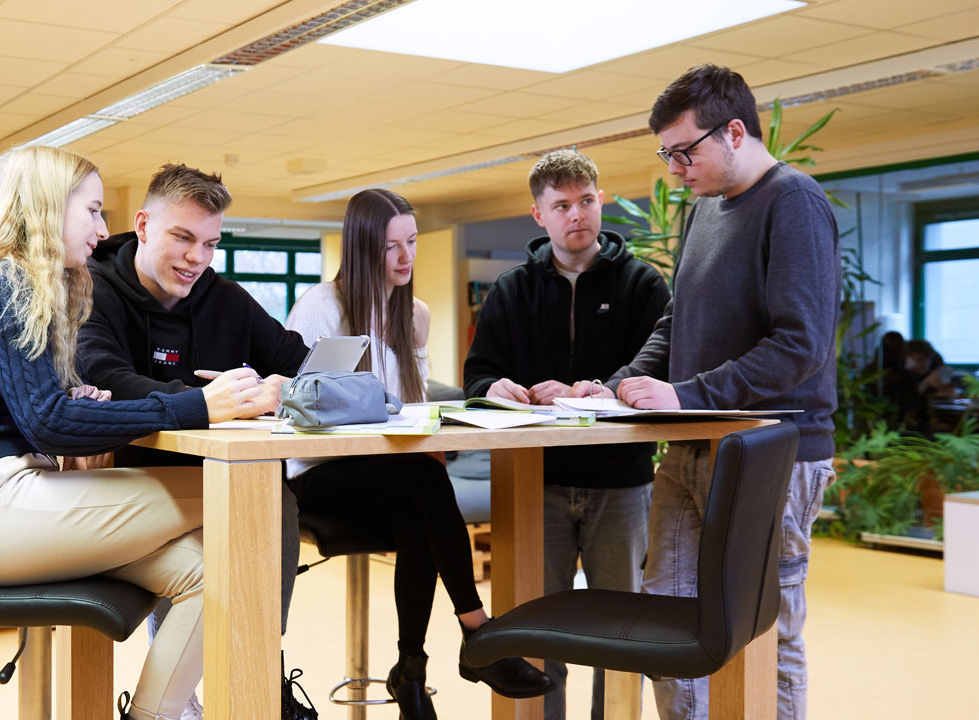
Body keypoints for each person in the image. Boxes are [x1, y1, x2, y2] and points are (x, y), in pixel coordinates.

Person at [0, 146, 277, 720]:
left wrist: (73, 403)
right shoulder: (8, 282)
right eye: (94, 211)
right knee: (250, 498)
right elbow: (46, 422)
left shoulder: (13, 282)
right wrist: (198, 406)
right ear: (49, 207)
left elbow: (35, 411)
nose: (103, 231)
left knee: (211, 569)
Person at [605, 65, 840, 720]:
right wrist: (617, 385)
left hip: (771, 454)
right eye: (667, 155)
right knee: (668, 622)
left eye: (686, 151)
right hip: (691, 447)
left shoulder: (793, 202)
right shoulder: (703, 209)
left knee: (766, 632)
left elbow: (800, 345)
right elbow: (676, 321)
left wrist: (688, 395)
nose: (676, 169)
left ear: (735, 132)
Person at [285, 188, 555, 719]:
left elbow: (412, 408)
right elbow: (299, 410)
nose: (406, 256)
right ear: (363, 247)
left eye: (411, 241)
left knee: (419, 505)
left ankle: (410, 669)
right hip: (319, 473)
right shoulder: (321, 307)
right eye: (391, 246)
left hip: (389, 475)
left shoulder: (415, 315)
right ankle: (478, 633)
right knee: (422, 480)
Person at [76, 163, 310, 718]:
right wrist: (206, 402)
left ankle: (261, 662)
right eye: (182, 237)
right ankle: (180, 699)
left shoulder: (224, 298)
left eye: (210, 244)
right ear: (142, 225)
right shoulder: (90, 288)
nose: (196, 258)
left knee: (273, 498)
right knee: (212, 525)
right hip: (124, 477)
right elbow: (104, 375)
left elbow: (301, 361)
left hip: (219, 474)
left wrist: (291, 387)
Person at [461, 149, 671, 720]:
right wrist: (495, 385)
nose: (576, 214)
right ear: (539, 215)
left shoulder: (643, 284)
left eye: (586, 201)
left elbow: (661, 368)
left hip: (621, 482)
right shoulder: (511, 289)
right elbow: (477, 372)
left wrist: (596, 389)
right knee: (540, 628)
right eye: (561, 206)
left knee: (621, 630)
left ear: (600, 201)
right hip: (537, 481)